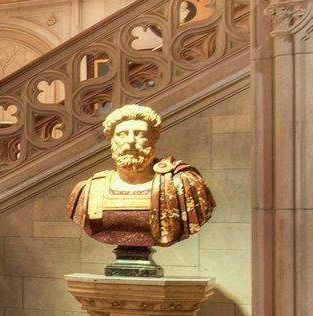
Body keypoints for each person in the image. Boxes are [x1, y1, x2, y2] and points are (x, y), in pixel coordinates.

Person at [67, 103, 215, 273]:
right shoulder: (88, 190)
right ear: (111, 140)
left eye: (140, 134)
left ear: (153, 139)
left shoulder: (182, 186)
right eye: (122, 134)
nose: (131, 141)